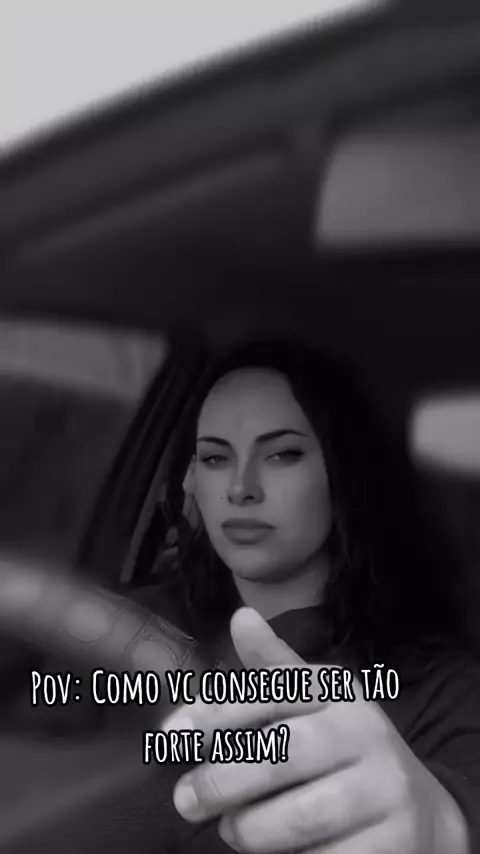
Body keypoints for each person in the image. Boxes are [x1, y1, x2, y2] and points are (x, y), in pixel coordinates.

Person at [142, 338, 480, 853]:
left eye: (282, 454)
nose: (241, 487)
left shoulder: (439, 684)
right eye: (215, 457)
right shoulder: (147, 620)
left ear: (342, 473)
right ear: (191, 480)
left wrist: (441, 825)